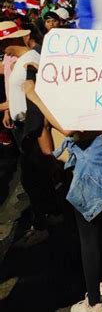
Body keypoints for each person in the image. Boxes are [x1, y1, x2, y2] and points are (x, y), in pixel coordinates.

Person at [22, 80, 102, 312]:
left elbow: (69, 128)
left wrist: (34, 95)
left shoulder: (71, 83)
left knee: (88, 236)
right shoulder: (90, 77)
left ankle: (93, 303)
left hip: (92, 166)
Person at [0, 20, 55, 244]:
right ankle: (51, 217)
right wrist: (9, 110)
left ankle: (47, 222)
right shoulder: (17, 60)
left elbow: (40, 94)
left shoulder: (30, 60)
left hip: (33, 128)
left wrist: (37, 129)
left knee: (35, 177)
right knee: (36, 177)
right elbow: (17, 93)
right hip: (25, 127)